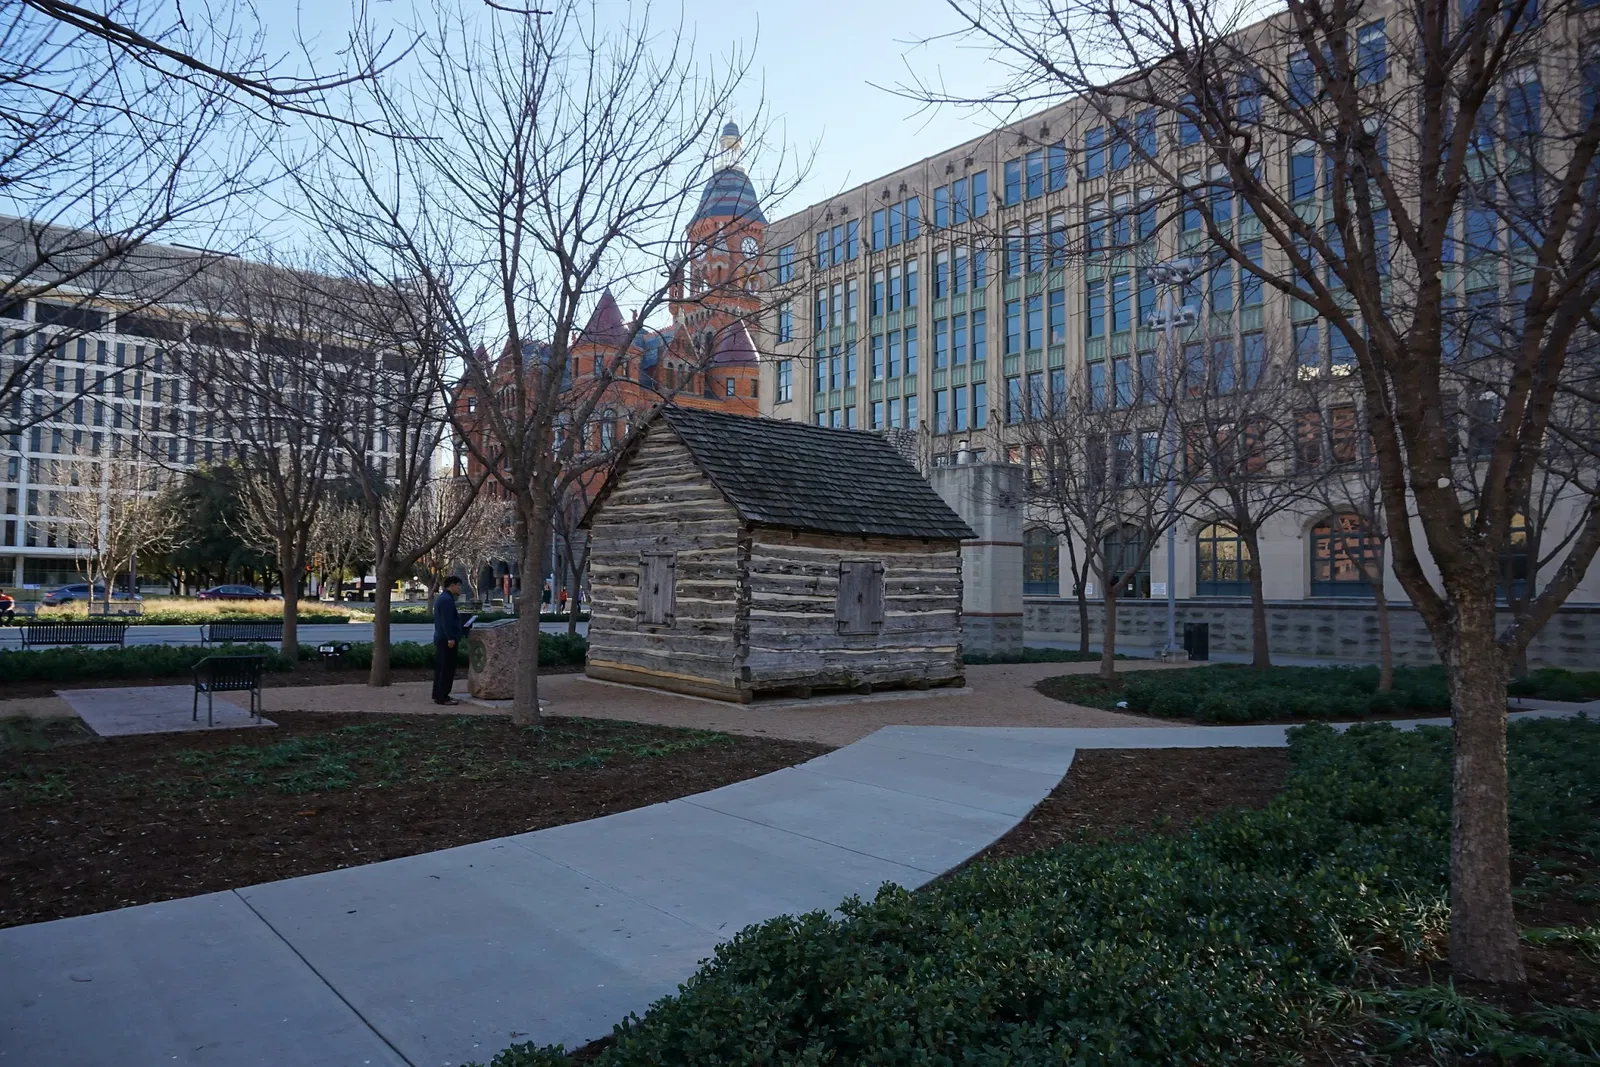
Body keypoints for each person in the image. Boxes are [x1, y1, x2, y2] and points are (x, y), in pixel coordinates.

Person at [432, 575, 464, 705]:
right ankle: (443, 697)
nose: (460, 588)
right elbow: (447, 621)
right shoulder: (446, 600)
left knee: (441, 667)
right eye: (459, 585)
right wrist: (451, 638)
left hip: (441, 638)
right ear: (452, 585)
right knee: (447, 668)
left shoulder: (444, 598)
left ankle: (438, 694)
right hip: (447, 640)